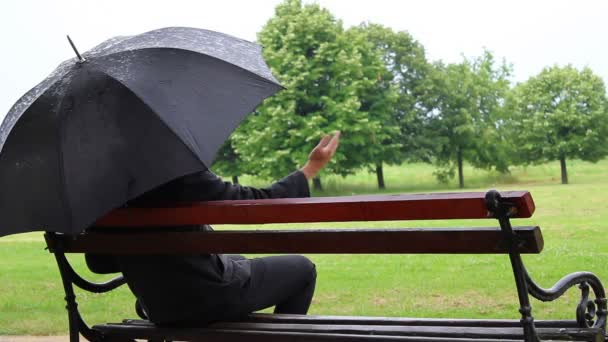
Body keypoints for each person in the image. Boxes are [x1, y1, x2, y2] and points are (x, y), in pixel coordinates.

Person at [109, 131, 341, 325]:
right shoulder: (177, 172)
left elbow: (99, 262)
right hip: (208, 298)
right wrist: (312, 167)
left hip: (160, 307)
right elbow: (255, 202)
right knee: (302, 269)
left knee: (237, 260)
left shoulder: (104, 185)